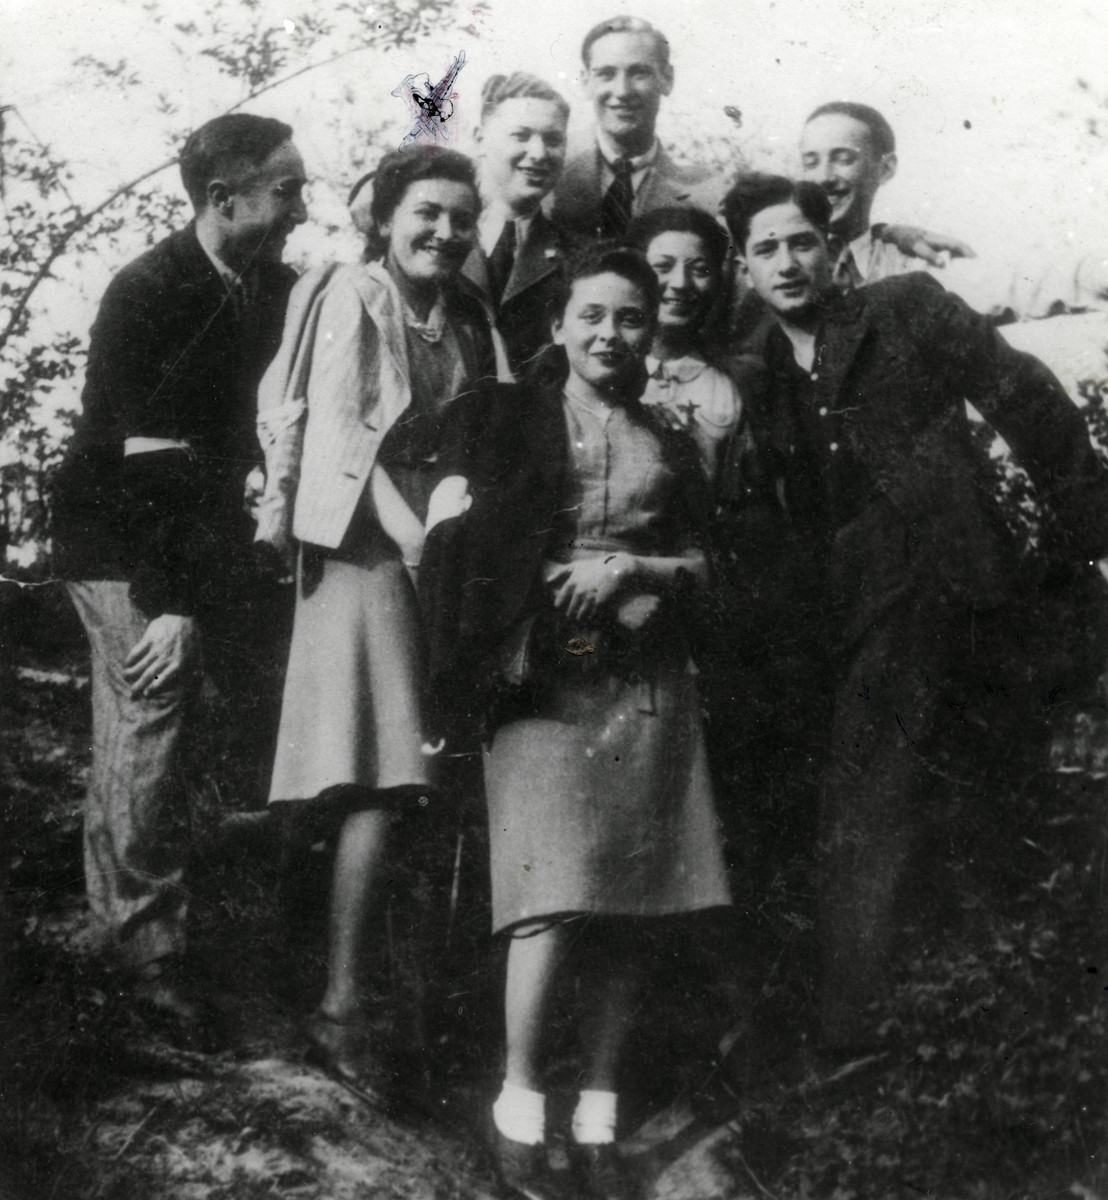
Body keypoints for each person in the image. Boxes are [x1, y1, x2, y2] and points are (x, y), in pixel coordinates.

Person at [720, 173, 1108, 1052]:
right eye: (766, 250)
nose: (787, 263)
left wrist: (1091, 526)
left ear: (833, 250)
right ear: (744, 268)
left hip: (951, 580)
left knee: (938, 793)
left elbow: (1027, 398)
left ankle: (911, 1032)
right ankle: (872, 1033)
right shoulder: (749, 365)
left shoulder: (906, 308)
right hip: (843, 614)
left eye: (802, 243)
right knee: (877, 803)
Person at [421, 244, 730, 1199]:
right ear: (557, 326)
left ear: (652, 330)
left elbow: (714, 562)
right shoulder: (506, 417)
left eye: (630, 318)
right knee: (548, 899)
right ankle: (520, 1103)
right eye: (591, 315)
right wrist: (548, 586)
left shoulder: (672, 436)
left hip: (647, 688)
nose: (611, 335)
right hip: (542, 684)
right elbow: (453, 541)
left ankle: (596, 1108)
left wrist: (636, 572)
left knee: (635, 905)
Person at [254, 145, 505, 1108]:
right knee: (377, 774)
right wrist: (417, 549)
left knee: (410, 778)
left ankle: (377, 999)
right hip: (365, 548)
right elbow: (342, 440)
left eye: (459, 218)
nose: (442, 232)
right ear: (386, 217)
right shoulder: (353, 295)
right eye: (423, 214)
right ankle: (338, 1009)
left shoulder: (468, 320)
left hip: (435, 552)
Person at [51, 114, 307, 1041]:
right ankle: (144, 956)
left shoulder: (277, 288)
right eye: (285, 191)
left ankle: (131, 920)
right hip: (119, 537)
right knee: (148, 703)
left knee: (171, 718)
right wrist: (174, 607)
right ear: (221, 198)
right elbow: (144, 462)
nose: (300, 207)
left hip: (204, 535)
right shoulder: (147, 292)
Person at [551, 16, 716, 239]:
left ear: (667, 79)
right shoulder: (549, 172)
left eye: (639, 73)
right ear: (585, 81)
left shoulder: (707, 195)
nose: (622, 91)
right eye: (606, 74)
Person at [461, 72, 576, 378]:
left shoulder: (578, 258)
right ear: (479, 139)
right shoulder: (439, 239)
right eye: (521, 136)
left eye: (553, 140)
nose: (538, 154)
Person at [798, 101, 974, 288]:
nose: (824, 177)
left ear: (885, 169)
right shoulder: (778, 259)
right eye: (811, 163)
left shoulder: (914, 264)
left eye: (844, 159)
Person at [628, 205, 745, 487]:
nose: (680, 283)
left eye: (700, 270)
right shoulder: (601, 370)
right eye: (663, 267)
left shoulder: (732, 385)